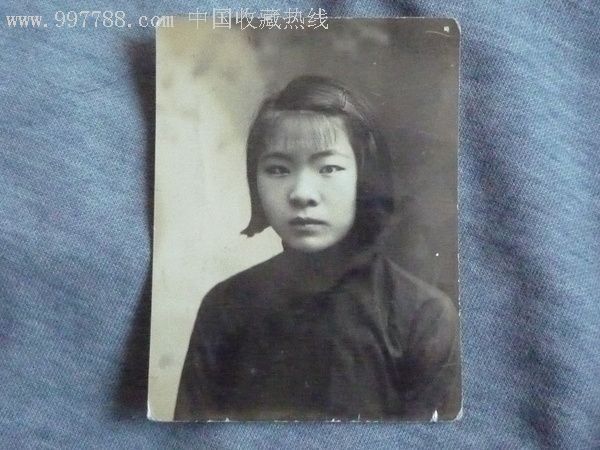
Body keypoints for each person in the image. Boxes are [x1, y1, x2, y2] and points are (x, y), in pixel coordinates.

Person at [175, 75, 459, 421]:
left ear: (364, 178)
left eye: (328, 168)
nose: (302, 193)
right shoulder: (226, 306)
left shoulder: (422, 316)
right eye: (278, 169)